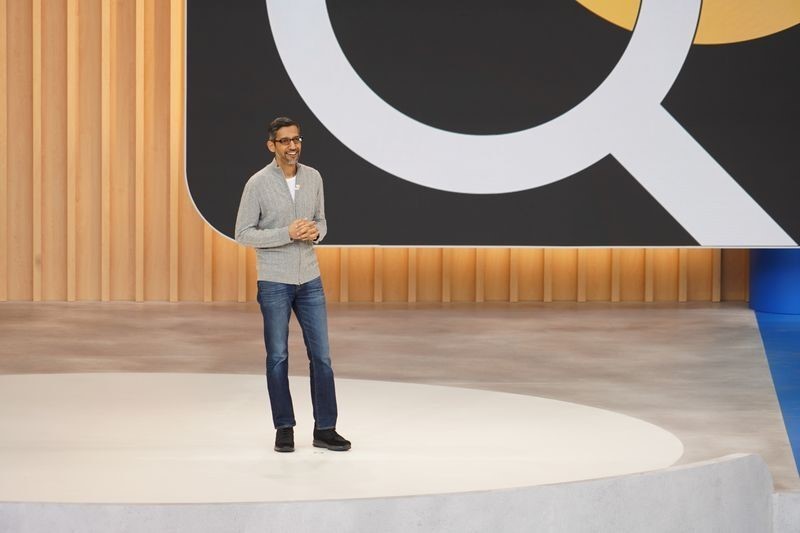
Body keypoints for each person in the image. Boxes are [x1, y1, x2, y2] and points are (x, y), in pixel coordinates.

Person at [235, 116, 350, 453]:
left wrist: (316, 232)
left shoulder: (313, 177)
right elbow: (243, 233)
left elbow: (322, 221)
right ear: (271, 145)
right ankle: (284, 427)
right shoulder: (257, 184)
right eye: (285, 141)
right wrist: (287, 233)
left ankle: (325, 428)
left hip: (310, 279)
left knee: (322, 356)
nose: (292, 146)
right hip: (274, 280)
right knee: (278, 356)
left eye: (296, 139)